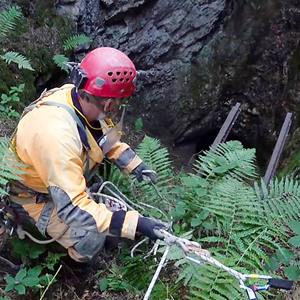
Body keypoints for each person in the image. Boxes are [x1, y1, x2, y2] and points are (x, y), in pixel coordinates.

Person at [8, 47, 167, 262]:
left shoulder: (75, 97)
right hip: (34, 200)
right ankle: (54, 249)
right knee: (91, 237)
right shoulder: (56, 135)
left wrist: (132, 163)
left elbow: (101, 135)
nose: (118, 108)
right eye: (119, 103)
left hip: (57, 181)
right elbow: (73, 209)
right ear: (109, 103)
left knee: (100, 217)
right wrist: (135, 224)